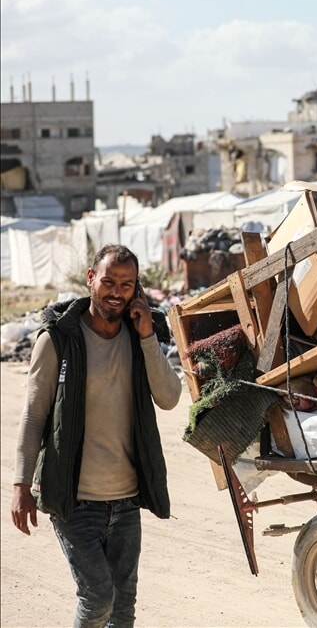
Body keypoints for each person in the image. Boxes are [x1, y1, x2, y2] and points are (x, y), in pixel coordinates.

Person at [10, 245, 182, 627]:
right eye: (108, 281)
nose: (116, 292)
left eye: (126, 284)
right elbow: (33, 417)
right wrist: (22, 485)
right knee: (98, 598)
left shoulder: (140, 337)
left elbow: (169, 398)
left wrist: (147, 336)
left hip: (124, 501)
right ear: (91, 279)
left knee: (123, 608)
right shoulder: (58, 339)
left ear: (137, 289)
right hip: (74, 501)